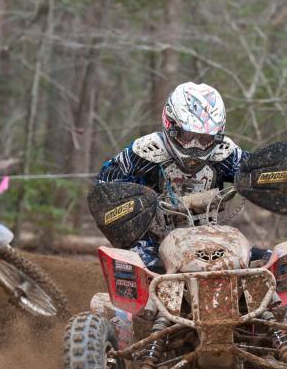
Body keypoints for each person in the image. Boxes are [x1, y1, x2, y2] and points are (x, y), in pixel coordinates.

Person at [98, 81, 268, 271]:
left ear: (217, 135)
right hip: (153, 245)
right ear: (170, 124)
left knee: (266, 261)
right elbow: (105, 188)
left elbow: (259, 171)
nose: (194, 145)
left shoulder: (226, 153)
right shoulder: (144, 152)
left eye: (205, 138)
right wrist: (132, 218)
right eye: (187, 136)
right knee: (142, 271)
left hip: (210, 238)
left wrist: (276, 177)